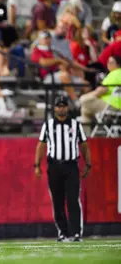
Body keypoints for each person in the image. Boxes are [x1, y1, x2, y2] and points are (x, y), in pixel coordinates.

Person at [35, 96, 91, 242]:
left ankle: (76, 232)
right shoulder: (48, 125)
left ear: (68, 108)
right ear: (54, 108)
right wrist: (37, 165)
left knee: (73, 199)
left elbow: (84, 144)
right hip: (54, 166)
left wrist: (88, 164)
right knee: (57, 201)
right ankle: (63, 232)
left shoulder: (75, 125)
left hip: (71, 165)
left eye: (63, 106)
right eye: (58, 106)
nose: (61, 108)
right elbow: (41, 145)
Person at [80, 56, 121, 127]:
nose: (108, 64)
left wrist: (88, 96)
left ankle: (86, 136)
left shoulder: (115, 74)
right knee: (85, 110)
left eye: (111, 62)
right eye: (108, 62)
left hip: (112, 105)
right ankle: (88, 135)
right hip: (113, 104)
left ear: (118, 65)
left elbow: (102, 90)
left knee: (84, 100)